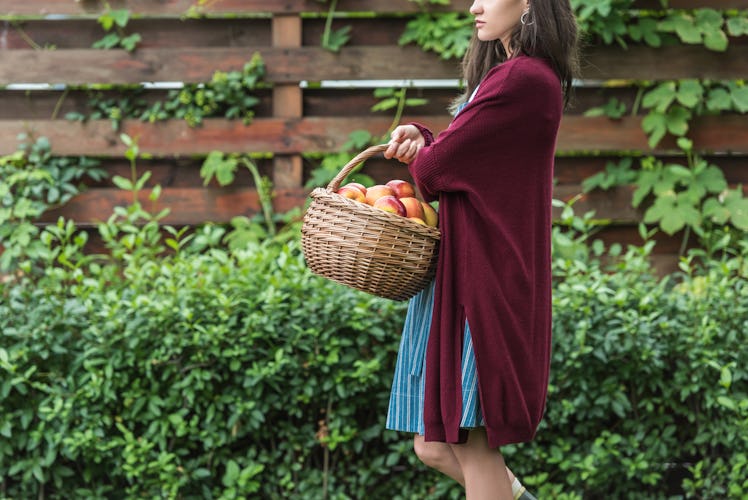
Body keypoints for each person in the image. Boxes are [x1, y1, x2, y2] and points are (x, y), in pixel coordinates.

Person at [383, 0, 579, 498]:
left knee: (472, 442)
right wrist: (423, 139)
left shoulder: (524, 79)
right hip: (464, 272)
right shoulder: (512, 76)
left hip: (483, 279)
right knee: (432, 444)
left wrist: (425, 149)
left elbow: (434, 170)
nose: (474, 5)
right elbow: (461, 157)